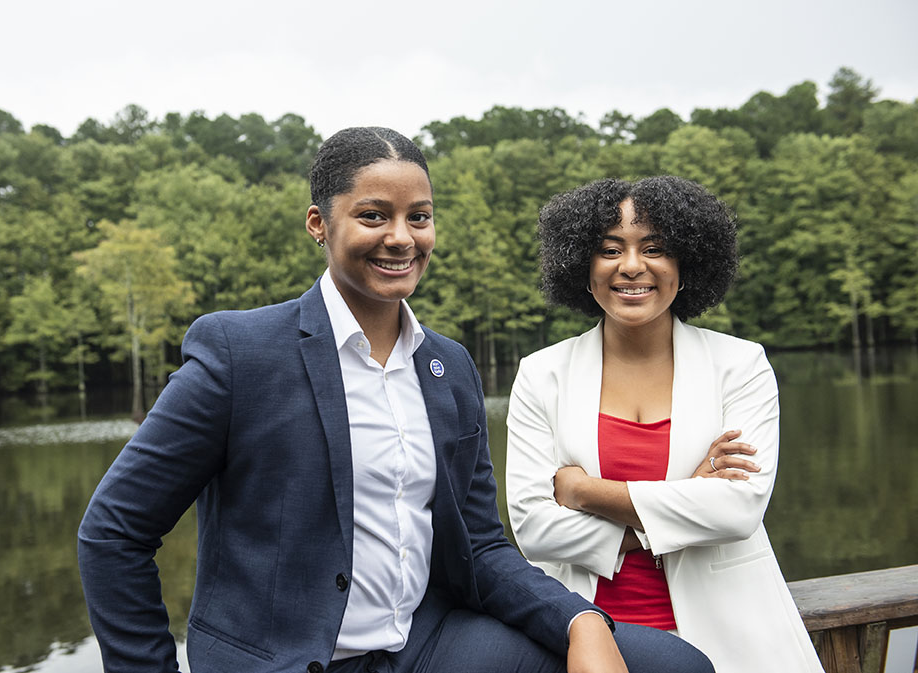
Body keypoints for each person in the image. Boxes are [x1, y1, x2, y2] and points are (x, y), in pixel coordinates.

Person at [77, 128, 714, 673]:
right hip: (286, 655)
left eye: (420, 216)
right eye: (374, 215)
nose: (402, 237)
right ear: (318, 224)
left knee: (675, 665)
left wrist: (580, 622)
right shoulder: (240, 353)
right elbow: (114, 533)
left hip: (426, 646)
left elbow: (483, 549)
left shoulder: (448, 366)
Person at [505, 176, 824, 673]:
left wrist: (586, 491)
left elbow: (737, 511)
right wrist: (683, 500)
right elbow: (534, 528)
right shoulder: (542, 374)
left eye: (654, 248)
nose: (632, 266)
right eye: (610, 249)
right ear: (583, 269)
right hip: (586, 643)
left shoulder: (740, 366)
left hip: (729, 638)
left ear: (686, 264)